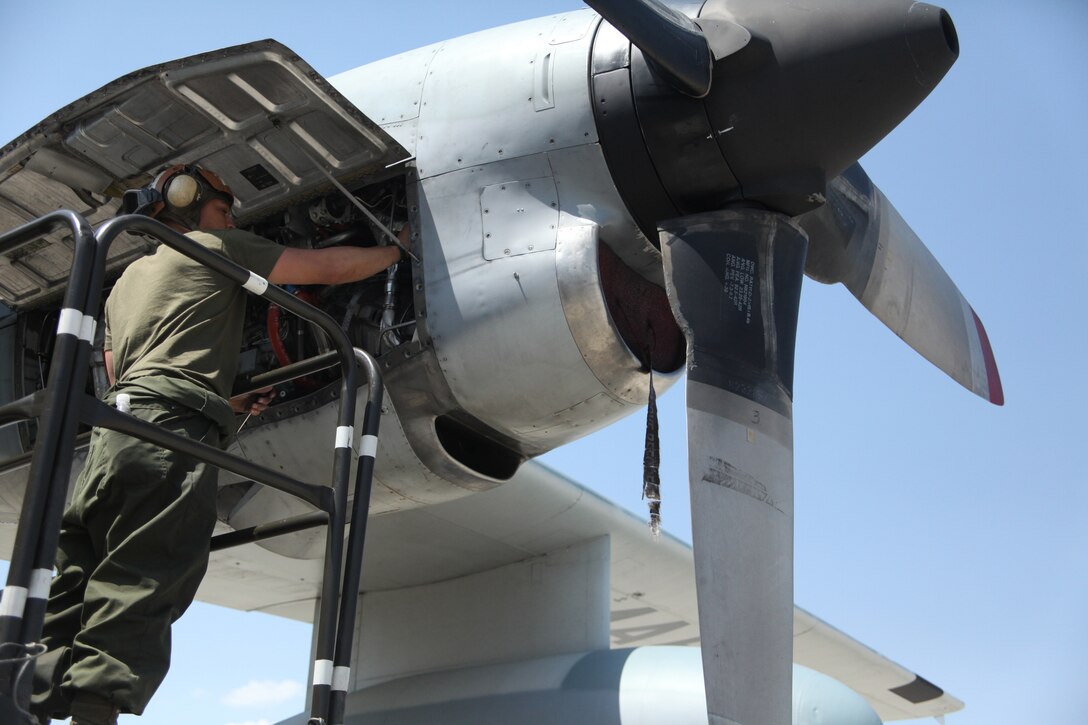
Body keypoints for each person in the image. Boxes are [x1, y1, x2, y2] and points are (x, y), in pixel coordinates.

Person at [30, 165, 405, 724]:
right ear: (191, 207)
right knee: (149, 569)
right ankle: (95, 711)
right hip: (169, 436)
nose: (232, 219)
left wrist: (220, 404)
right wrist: (395, 254)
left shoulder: (125, 280)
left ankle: (28, 700)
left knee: (78, 579)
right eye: (224, 209)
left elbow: (121, 369)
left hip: (112, 434)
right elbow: (322, 267)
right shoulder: (216, 246)